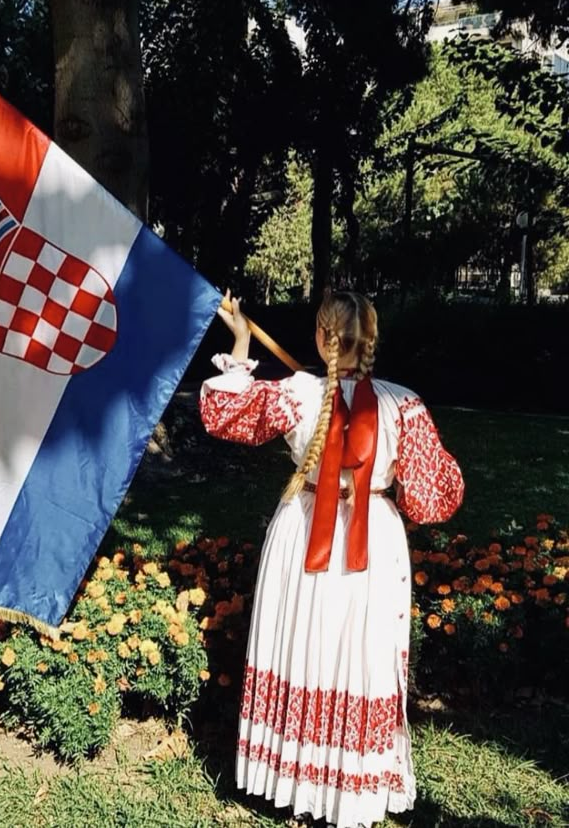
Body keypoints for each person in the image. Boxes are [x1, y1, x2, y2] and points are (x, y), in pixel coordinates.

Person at [199, 290, 464, 828]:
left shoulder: (298, 393)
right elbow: (437, 499)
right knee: (359, 655)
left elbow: (225, 415)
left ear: (323, 337)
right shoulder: (403, 404)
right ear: (372, 340)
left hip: (304, 536)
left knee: (305, 643)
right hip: (372, 546)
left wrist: (243, 341)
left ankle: (295, 777)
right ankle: (352, 787)